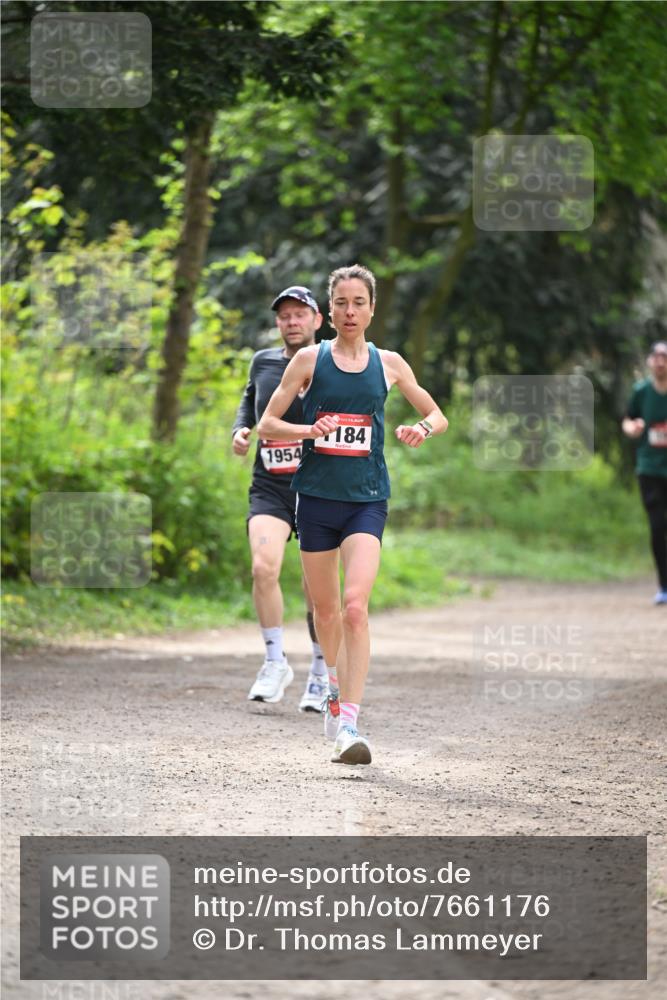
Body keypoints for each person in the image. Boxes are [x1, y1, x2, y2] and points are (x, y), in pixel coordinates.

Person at [257, 264, 448, 765]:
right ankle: (333, 691)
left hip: (367, 499)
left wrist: (420, 430)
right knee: (325, 614)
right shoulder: (308, 359)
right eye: (340, 303)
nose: (349, 311)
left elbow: (436, 414)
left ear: (371, 308)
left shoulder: (389, 363)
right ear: (330, 309)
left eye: (358, 302)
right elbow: (267, 424)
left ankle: (349, 723)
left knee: (356, 606)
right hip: (316, 500)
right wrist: (307, 432)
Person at [232, 285, 330, 708]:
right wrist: (239, 429)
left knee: (315, 590)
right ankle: (275, 662)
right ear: (278, 323)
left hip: (320, 487)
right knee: (263, 568)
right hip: (271, 485)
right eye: (284, 316)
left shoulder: (333, 363)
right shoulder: (263, 361)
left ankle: (322, 672)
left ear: (316, 321)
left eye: (299, 315)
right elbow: (250, 398)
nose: (291, 322)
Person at [622, 340, 667, 605]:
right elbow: (628, 419)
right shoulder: (641, 392)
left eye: (665, 357)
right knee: (657, 526)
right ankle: (664, 585)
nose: (660, 362)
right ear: (650, 362)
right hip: (649, 468)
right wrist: (632, 428)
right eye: (656, 357)